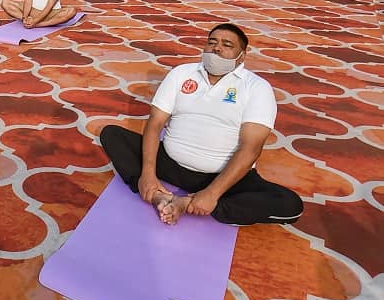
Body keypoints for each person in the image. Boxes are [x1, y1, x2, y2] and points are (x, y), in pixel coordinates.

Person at [99, 23, 304, 226]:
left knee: (290, 205)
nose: (217, 48)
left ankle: (190, 202)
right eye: (212, 42)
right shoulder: (182, 73)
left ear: (242, 54)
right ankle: (157, 196)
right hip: (171, 164)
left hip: (223, 177)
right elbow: (155, 123)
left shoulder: (257, 87)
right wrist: (148, 174)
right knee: (112, 135)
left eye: (227, 44)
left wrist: (212, 193)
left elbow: (251, 148)